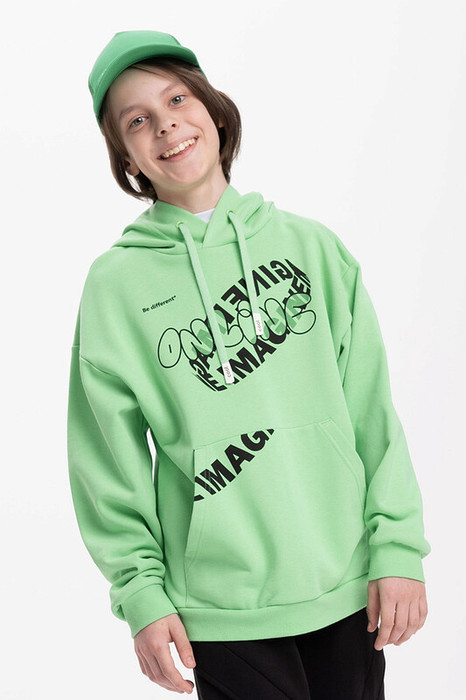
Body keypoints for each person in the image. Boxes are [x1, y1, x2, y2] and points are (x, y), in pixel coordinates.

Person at [67, 30, 431, 699]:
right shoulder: (115, 287)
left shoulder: (312, 248)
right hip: (218, 604)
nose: (165, 124)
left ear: (213, 109)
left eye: (177, 99)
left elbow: (372, 413)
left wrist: (399, 547)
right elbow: (106, 460)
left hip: (347, 580)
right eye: (137, 121)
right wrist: (141, 592)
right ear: (125, 156)